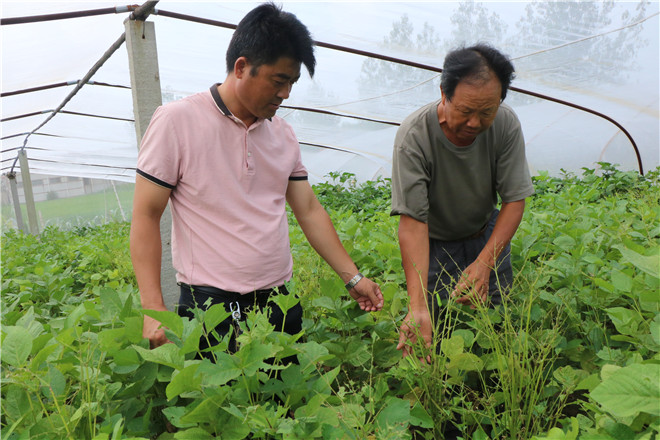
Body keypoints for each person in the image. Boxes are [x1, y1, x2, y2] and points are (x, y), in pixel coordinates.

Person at [130, 2, 383, 356]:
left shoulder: (283, 135)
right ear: (241, 67)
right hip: (211, 309)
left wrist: (352, 277)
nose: (286, 94)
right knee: (222, 406)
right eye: (278, 81)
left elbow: (308, 210)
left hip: (280, 303)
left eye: (292, 82)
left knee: (284, 405)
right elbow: (145, 215)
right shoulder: (176, 122)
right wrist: (153, 305)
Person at [391, 43, 534, 358]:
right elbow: (413, 223)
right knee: (432, 327)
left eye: (486, 112)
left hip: (486, 234)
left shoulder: (505, 124)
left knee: (497, 320)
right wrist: (416, 306)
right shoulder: (415, 137)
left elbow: (514, 199)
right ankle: (430, 391)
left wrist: (484, 263)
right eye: (466, 111)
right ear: (444, 93)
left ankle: (497, 384)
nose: (475, 123)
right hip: (435, 244)